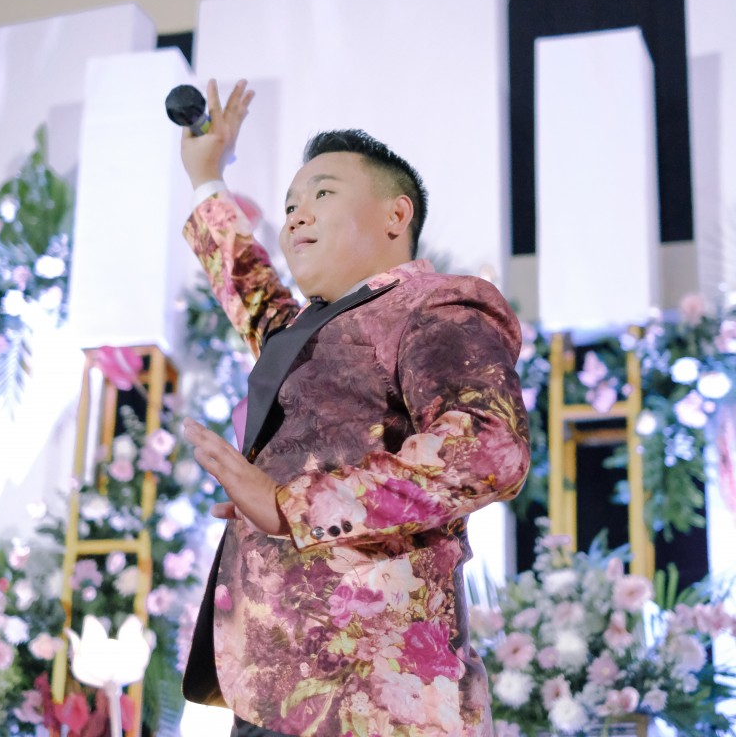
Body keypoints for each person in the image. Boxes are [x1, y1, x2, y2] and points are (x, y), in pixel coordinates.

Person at [180, 79, 530, 737]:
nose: (295, 217)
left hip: (376, 689)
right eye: (289, 205)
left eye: (322, 194)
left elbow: (488, 445)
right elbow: (252, 292)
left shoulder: (436, 304)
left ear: (396, 216)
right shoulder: (302, 334)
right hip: (271, 684)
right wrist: (206, 179)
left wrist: (291, 504)